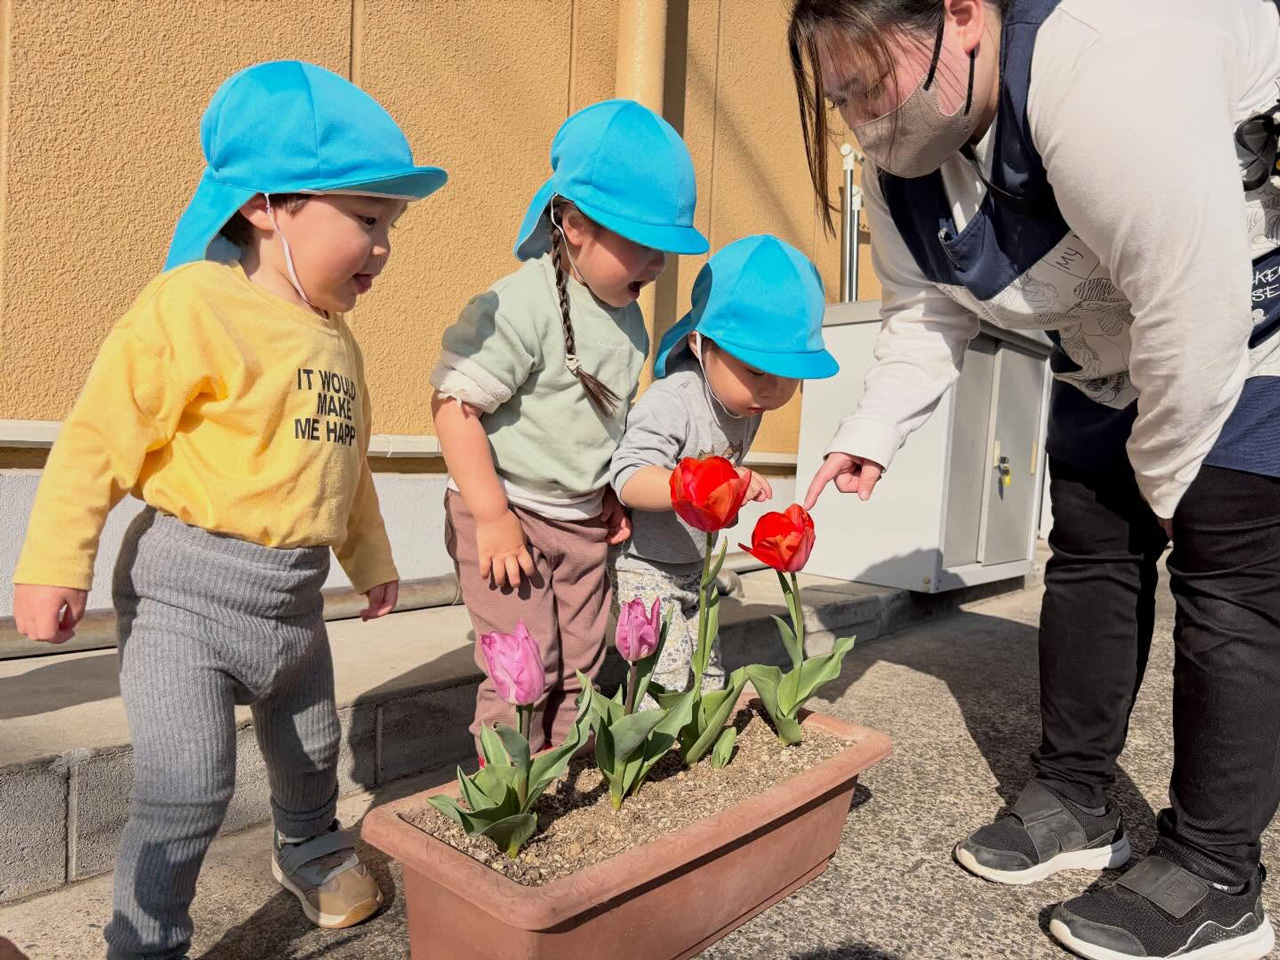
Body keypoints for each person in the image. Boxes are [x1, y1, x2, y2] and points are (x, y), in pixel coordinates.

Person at [789, 0, 1280, 957]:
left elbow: (1195, 308)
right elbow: (930, 314)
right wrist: (873, 431)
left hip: (1242, 321)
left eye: (871, 82)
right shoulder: (908, 172)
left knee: (1228, 571)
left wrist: (1175, 489)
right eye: (839, 96)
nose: (861, 119)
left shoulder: (1108, 70)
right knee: (1091, 552)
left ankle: (1219, 879)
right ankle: (1075, 802)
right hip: (1105, 344)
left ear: (964, 15)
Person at [10, 60, 447, 959]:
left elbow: (347, 468)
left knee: (314, 746)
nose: (382, 247)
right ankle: (145, 937)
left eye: (389, 226)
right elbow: (99, 436)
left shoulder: (338, 341)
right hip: (185, 599)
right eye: (365, 219)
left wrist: (372, 562)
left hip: (293, 605)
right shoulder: (194, 306)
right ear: (264, 207)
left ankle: (313, 849)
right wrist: (56, 562)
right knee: (189, 785)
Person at [430, 99, 708, 753]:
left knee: (584, 661)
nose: (657, 266)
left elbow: (601, 422)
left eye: (665, 251)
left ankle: (557, 777)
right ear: (575, 224)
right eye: (642, 246)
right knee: (524, 668)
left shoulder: (628, 321)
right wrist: (492, 515)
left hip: (581, 523)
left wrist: (608, 491)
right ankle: (501, 800)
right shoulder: (520, 304)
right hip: (509, 518)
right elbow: (453, 405)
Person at [610, 234, 837, 697]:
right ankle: (655, 759)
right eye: (756, 370)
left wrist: (733, 485)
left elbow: (719, 474)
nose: (772, 390)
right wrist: (701, 487)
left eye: (788, 375)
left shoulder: (744, 406)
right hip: (647, 569)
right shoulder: (675, 401)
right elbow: (629, 478)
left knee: (710, 677)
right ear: (699, 343)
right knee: (667, 681)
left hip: (696, 564)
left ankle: (699, 754)